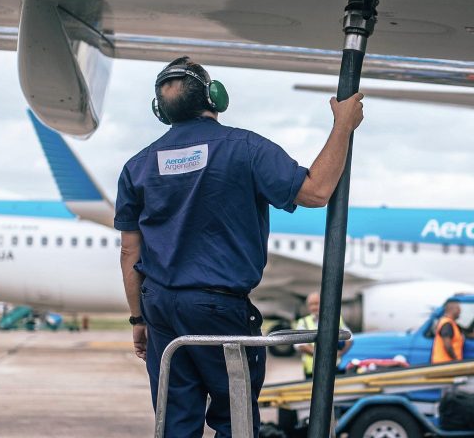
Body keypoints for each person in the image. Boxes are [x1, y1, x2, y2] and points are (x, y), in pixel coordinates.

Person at [116, 56, 364, 438]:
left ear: (161, 112)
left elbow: (130, 253)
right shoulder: (244, 148)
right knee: (237, 422)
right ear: (215, 97)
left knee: (174, 423)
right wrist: (343, 127)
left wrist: (139, 319)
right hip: (219, 308)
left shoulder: (138, 166)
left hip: (161, 309)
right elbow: (316, 192)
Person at [294, 291, 354, 379]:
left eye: (316, 303)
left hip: (334, 368)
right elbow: (299, 345)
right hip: (312, 371)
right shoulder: (303, 322)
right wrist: (321, 355)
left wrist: (340, 353)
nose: (314, 307)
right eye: (311, 304)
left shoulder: (336, 319)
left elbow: (350, 338)